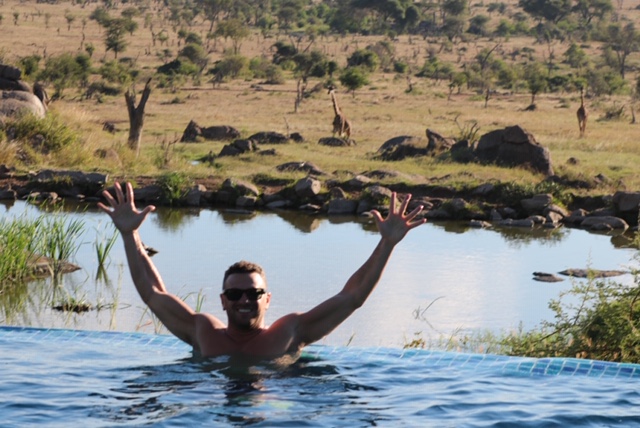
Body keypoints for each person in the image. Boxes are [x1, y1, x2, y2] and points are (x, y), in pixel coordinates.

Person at [98, 181, 426, 361]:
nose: (245, 300)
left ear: (267, 299)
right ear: (223, 300)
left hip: (276, 407)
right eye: (235, 294)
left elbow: (352, 296)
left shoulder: (290, 333)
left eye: (253, 294)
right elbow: (153, 294)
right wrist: (130, 234)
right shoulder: (203, 332)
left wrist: (387, 245)